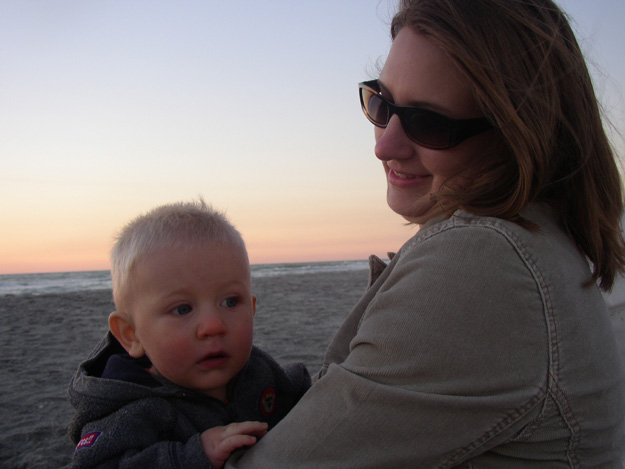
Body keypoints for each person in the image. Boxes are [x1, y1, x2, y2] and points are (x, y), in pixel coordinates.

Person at [226, 0, 625, 466]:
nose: (384, 145)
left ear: (521, 135)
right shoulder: (542, 239)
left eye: (428, 122)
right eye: (381, 102)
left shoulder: (482, 262)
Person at [67, 200, 311, 468]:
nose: (213, 326)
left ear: (252, 308)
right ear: (131, 335)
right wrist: (192, 456)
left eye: (230, 302)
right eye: (182, 309)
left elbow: (300, 396)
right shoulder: (130, 409)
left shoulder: (258, 370)